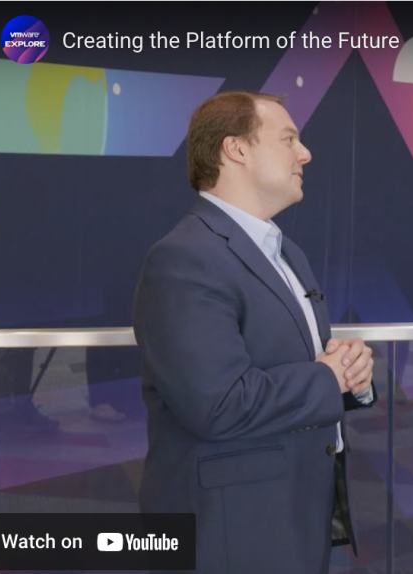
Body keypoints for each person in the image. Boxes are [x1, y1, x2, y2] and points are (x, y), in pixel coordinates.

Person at [133, 91, 376, 573]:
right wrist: (328, 378)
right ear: (236, 149)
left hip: (291, 514)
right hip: (229, 531)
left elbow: (301, 367)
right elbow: (218, 404)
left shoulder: (287, 252)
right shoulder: (184, 258)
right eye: (288, 139)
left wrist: (351, 378)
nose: (305, 153)